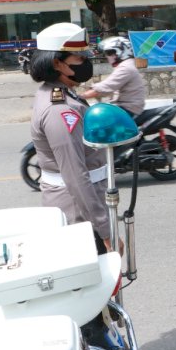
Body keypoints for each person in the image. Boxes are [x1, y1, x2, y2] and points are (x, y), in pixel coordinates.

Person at [29, 22, 120, 255]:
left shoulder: (61, 92)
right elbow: (75, 175)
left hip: (84, 207)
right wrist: (106, 231)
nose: (86, 63)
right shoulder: (60, 110)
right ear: (57, 63)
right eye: (79, 58)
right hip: (78, 214)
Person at [79, 36, 146, 116]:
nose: (107, 56)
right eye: (107, 53)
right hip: (125, 108)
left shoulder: (125, 68)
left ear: (122, 52)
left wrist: (80, 97)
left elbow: (107, 86)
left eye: (110, 53)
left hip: (128, 110)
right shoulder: (127, 64)